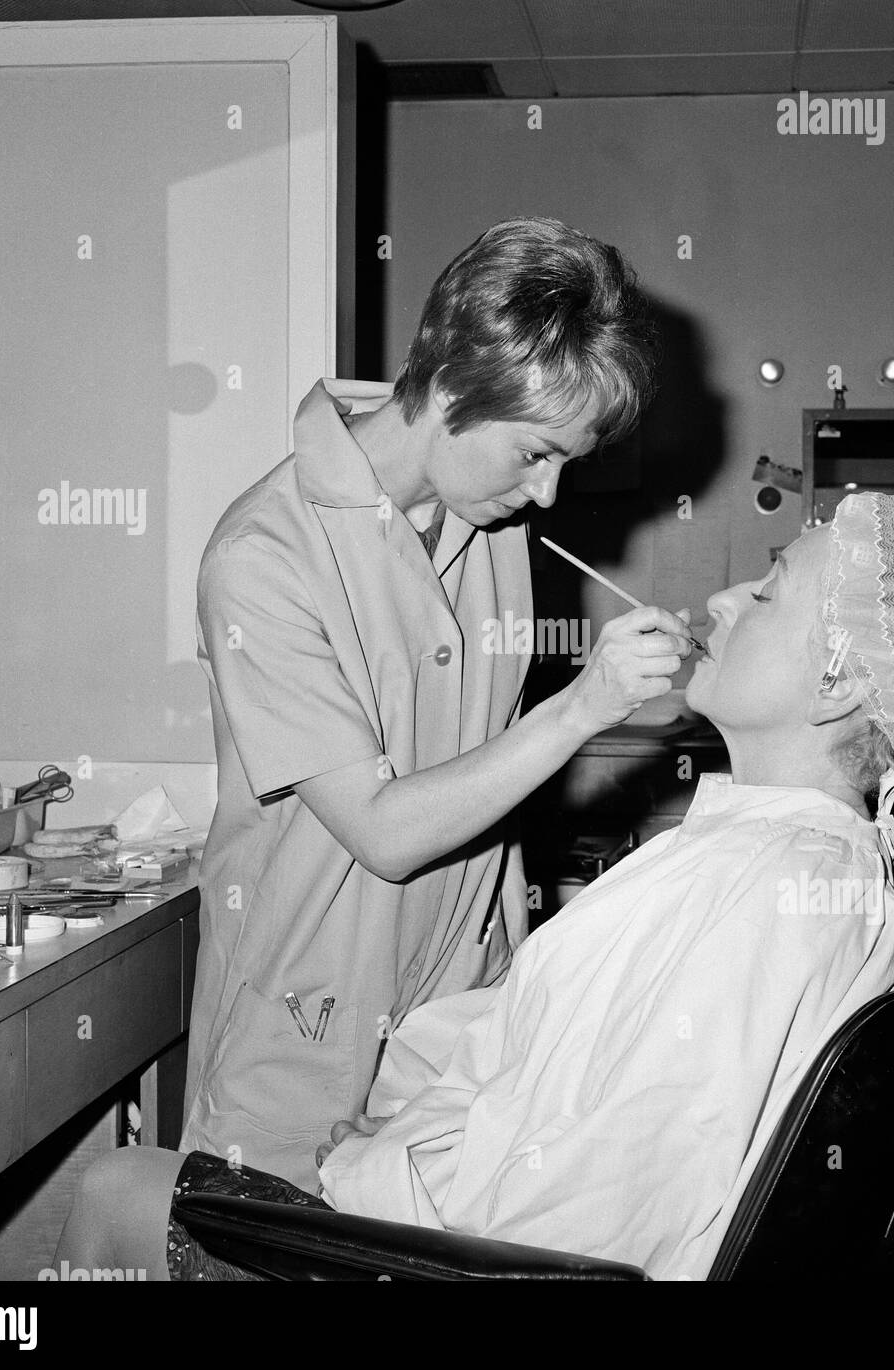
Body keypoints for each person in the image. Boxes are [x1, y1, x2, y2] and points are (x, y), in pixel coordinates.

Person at [55, 491, 894, 1280]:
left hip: (484, 1264)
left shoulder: (771, 893)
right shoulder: (790, 862)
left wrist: (374, 1172)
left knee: (118, 1191)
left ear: (840, 687)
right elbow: (538, 1049)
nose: (721, 601)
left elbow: (589, 1214)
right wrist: (393, 1122)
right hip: (470, 1207)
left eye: (765, 595)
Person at [181, 217, 693, 1189]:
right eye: (536, 454)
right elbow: (380, 828)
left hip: (459, 1012)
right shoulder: (263, 559)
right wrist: (583, 705)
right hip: (308, 1023)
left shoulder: (482, 507)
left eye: (564, 463)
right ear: (452, 388)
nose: (546, 496)